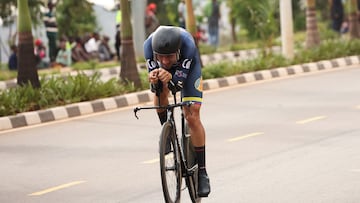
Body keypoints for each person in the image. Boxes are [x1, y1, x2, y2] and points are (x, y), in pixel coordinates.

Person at [143, 26, 211, 197]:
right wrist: (155, 79)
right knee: (159, 91)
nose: (165, 61)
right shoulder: (148, 47)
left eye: (169, 56)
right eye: (161, 57)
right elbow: (155, 84)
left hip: (188, 69)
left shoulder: (188, 45)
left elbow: (178, 84)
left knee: (192, 114)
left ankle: (202, 172)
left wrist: (173, 78)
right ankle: (167, 134)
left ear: (178, 52)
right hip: (169, 70)